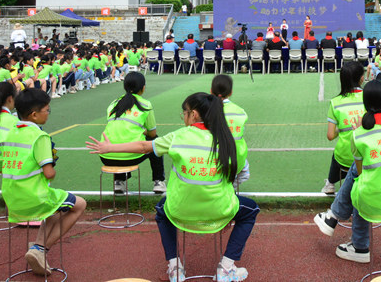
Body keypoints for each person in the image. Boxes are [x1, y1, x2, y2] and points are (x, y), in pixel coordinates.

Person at [87, 93, 259, 282]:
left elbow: (144, 146)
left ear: (193, 115)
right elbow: (236, 177)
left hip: (179, 212)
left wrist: (110, 148)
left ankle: (175, 268)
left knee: (162, 211)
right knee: (251, 210)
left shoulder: (178, 137)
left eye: (183, 113)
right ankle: (226, 268)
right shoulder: (228, 140)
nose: (183, 116)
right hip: (220, 211)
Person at [313, 80, 381, 264]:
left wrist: (357, 132)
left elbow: (361, 174)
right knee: (363, 176)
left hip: (374, 201)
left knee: (358, 179)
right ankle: (333, 217)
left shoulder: (360, 135)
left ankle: (356, 243)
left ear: (365, 104)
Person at [1, 88, 87, 276]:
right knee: (80, 204)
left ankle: (38, 248)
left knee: (56, 209)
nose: (48, 113)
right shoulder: (40, 137)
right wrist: (51, 163)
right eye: (47, 110)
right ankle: (40, 249)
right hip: (34, 197)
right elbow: (49, 174)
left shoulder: (9, 133)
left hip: (11, 199)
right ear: (34, 114)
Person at [98, 72, 166, 194]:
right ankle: (159, 181)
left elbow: (118, 128)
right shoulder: (145, 104)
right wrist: (143, 131)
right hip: (131, 157)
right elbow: (152, 133)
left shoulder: (113, 103)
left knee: (122, 138)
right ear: (143, 88)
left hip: (106, 156)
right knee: (155, 141)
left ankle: (118, 182)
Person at [322, 62, 365, 195]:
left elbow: (330, 136)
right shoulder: (369, 97)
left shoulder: (335, 102)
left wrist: (342, 128)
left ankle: (330, 183)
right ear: (362, 78)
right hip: (367, 156)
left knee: (339, 152)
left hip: (345, 158)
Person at [212, 74, 250, 188]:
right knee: (243, 172)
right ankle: (229, 189)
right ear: (231, 92)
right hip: (237, 159)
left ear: (211, 91)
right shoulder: (240, 111)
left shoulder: (206, 111)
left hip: (213, 159)